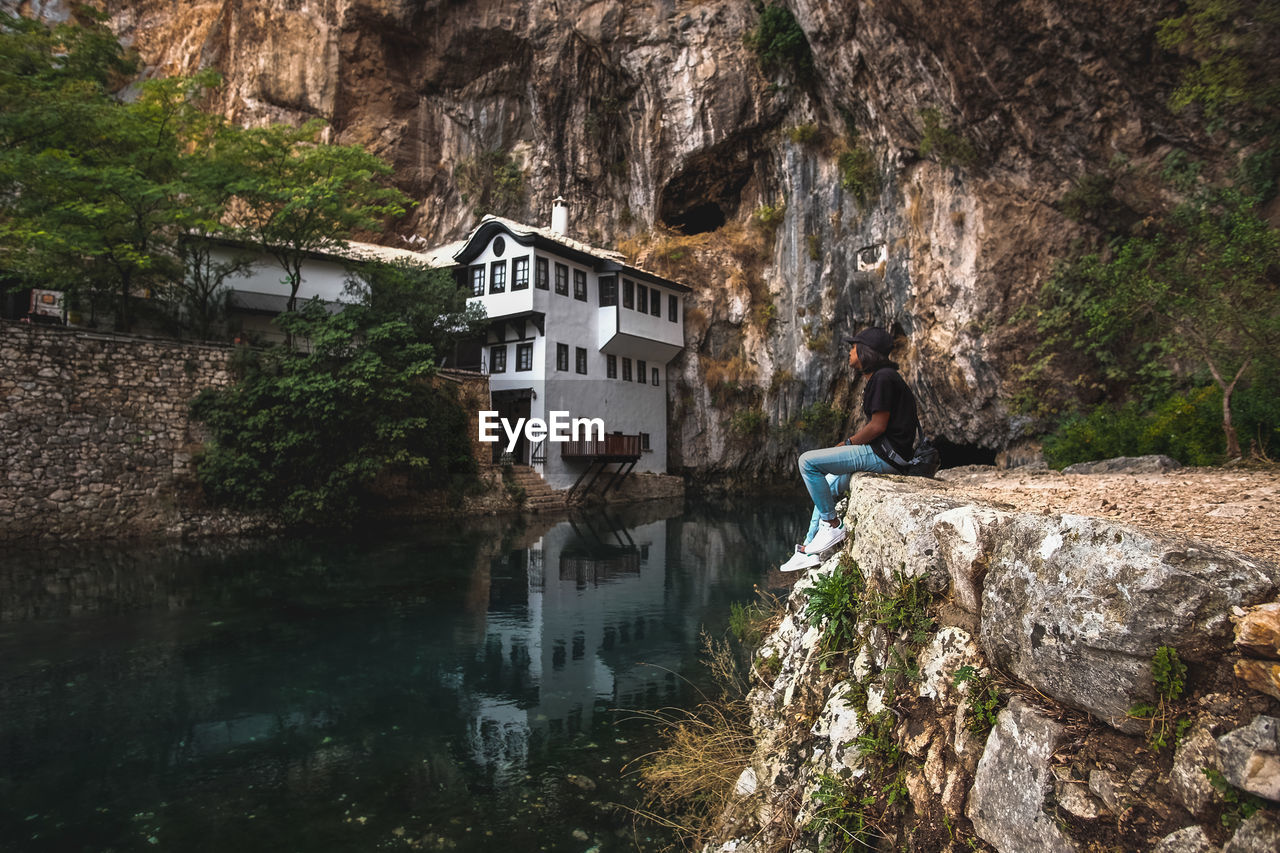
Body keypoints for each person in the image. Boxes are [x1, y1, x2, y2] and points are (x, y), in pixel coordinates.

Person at [779, 327, 920, 572]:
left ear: (866, 352)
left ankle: (833, 526)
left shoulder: (883, 378)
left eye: (853, 347)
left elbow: (877, 426)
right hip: (887, 453)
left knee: (808, 462)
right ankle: (808, 549)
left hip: (884, 455)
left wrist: (848, 443)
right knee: (828, 485)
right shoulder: (883, 377)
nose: (849, 351)